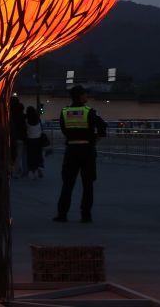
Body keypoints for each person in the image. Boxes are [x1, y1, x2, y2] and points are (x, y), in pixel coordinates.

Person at [54, 85, 106, 223]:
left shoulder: (64, 111)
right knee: (87, 184)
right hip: (87, 151)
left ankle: (62, 214)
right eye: (85, 95)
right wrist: (98, 135)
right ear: (81, 96)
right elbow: (102, 125)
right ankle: (86, 215)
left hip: (71, 150)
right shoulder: (89, 111)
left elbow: (63, 129)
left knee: (67, 184)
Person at [25, 106, 45, 179]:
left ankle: (34, 175)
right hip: (38, 140)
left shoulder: (26, 121)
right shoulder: (39, 120)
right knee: (38, 155)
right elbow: (44, 124)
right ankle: (39, 167)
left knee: (31, 157)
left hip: (30, 141)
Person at [10, 97, 27, 179]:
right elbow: (24, 127)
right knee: (18, 156)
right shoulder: (21, 115)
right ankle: (15, 173)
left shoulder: (7, 114)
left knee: (8, 155)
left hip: (9, 138)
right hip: (19, 138)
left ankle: (8, 171)